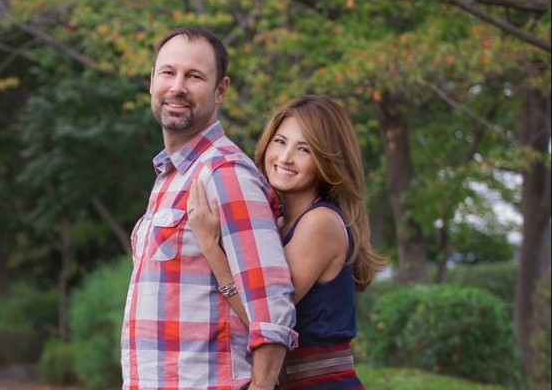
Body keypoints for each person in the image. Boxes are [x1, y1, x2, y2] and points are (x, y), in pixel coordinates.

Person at [121, 27, 298, 390]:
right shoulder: (171, 177)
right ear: (152, 81)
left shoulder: (225, 174)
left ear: (221, 90)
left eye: (194, 76)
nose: (177, 87)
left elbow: (270, 308)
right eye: (168, 72)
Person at [187, 95, 389, 389]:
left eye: (304, 149)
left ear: (328, 160)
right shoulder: (278, 222)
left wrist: (209, 245)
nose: (285, 157)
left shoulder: (320, 223)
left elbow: (264, 318)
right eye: (280, 142)